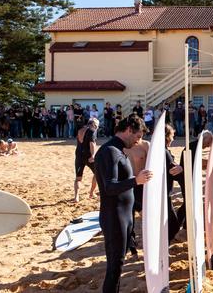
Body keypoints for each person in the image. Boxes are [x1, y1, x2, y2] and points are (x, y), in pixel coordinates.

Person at [94, 115, 152, 293]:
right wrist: (137, 181)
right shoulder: (109, 151)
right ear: (128, 130)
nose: (138, 142)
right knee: (115, 266)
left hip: (124, 216)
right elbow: (109, 187)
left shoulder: (119, 151)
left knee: (119, 264)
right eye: (137, 136)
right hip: (114, 216)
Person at [170, 130, 213, 239]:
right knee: (188, 204)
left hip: (189, 178)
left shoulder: (194, 146)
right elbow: (194, 164)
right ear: (204, 140)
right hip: (187, 179)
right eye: (208, 142)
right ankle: (177, 227)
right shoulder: (192, 148)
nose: (208, 145)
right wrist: (209, 162)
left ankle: (181, 227)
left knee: (189, 204)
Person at [123, 134, 150, 254]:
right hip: (128, 184)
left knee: (146, 214)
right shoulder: (123, 147)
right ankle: (131, 245)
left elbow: (152, 165)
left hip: (142, 185)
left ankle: (148, 242)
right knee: (129, 217)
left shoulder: (145, 145)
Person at [74, 118, 100, 203]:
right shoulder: (92, 131)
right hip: (88, 156)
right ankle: (91, 193)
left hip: (79, 156)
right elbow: (92, 143)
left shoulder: (80, 130)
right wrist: (93, 155)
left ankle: (76, 197)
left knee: (78, 178)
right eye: (96, 126)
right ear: (93, 125)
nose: (97, 128)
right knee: (97, 173)